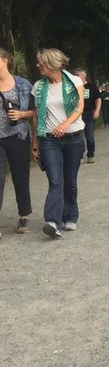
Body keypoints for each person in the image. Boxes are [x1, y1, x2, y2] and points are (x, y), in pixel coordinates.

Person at [32, 48, 85, 239]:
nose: (37, 65)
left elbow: (79, 108)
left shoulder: (74, 81)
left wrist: (65, 125)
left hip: (74, 138)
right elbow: (37, 115)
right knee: (55, 180)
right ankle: (53, 221)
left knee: (70, 180)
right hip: (49, 141)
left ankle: (70, 216)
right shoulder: (38, 86)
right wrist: (35, 142)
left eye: (41, 63)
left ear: (51, 63)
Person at [0, 47, 36, 235]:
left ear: (5, 60)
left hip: (18, 136)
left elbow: (34, 111)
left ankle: (24, 216)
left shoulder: (22, 84)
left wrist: (21, 114)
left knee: (20, 177)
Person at [74, 68, 101, 164]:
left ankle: (90, 154)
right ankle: (79, 156)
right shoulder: (73, 88)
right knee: (79, 137)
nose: (76, 76)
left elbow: (98, 100)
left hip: (89, 113)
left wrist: (97, 111)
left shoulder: (92, 87)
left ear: (83, 76)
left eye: (78, 75)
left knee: (89, 136)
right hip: (77, 115)